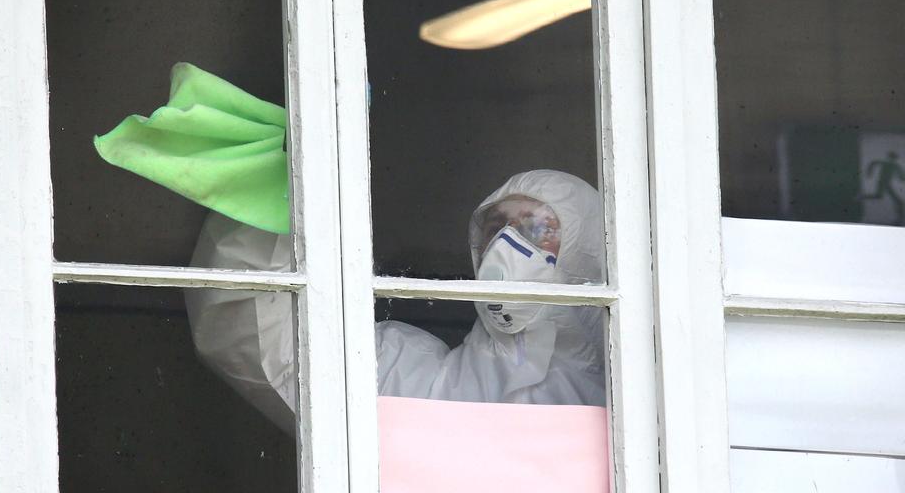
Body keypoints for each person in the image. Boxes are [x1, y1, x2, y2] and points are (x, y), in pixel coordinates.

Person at [184, 169, 607, 433]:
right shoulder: (416, 384)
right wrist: (287, 175)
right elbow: (262, 344)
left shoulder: (636, 402)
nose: (506, 245)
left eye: (535, 229)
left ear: (585, 252)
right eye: (496, 228)